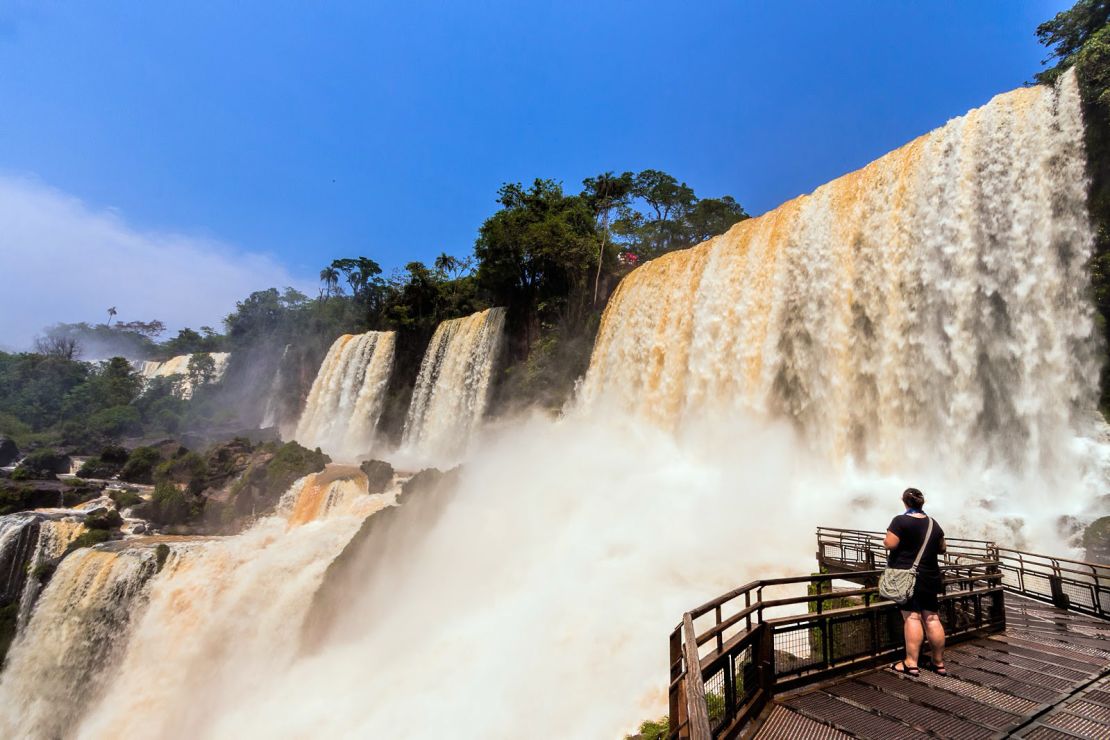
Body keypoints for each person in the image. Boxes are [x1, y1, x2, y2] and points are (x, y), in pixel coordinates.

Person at [884, 487, 948, 677]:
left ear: (904, 502)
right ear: (922, 503)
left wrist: (886, 541)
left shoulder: (900, 521)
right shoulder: (932, 523)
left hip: (906, 576)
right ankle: (939, 663)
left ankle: (911, 663)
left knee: (912, 617)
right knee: (932, 618)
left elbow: (891, 543)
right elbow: (942, 548)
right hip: (929, 576)